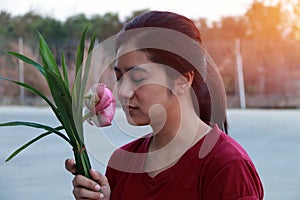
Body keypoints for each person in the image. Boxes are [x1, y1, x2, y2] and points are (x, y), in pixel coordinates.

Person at [65, 11, 264, 200]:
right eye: (119, 77)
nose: (123, 92)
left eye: (137, 78)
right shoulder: (122, 163)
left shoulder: (227, 167)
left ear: (182, 80)